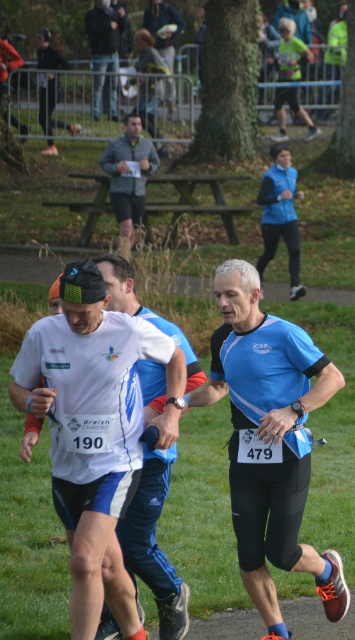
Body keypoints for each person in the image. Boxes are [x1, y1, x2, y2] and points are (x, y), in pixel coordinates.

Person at [9, 258, 186, 640]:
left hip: (117, 464)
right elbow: (17, 388)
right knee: (106, 566)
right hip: (67, 466)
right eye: (66, 310)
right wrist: (31, 404)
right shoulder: (43, 333)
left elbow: (176, 356)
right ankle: (137, 634)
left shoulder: (130, 331)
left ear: (105, 301)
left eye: (82, 313)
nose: (73, 320)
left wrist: (173, 411)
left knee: (83, 562)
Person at [177, 259, 350, 639]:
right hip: (244, 455)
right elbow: (218, 386)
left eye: (230, 295)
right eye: (217, 295)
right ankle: (278, 632)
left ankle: (327, 571)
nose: (222, 303)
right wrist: (183, 402)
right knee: (249, 555)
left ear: (254, 294)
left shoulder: (285, 334)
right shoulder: (222, 338)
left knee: (282, 553)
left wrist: (294, 409)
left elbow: (333, 378)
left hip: (288, 455)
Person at [90, 253, 206, 640]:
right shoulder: (96, 329)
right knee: (103, 544)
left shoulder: (160, 328)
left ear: (128, 285)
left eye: (106, 286)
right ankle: (119, 613)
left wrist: (158, 409)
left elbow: (197, 380)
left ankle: (171, 594)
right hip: (105, 456)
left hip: (149, 456)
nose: (101, 294)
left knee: (134, 543)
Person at [98, 112, 161, 256]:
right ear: (125, 127)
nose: (136, 127)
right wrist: (116, 168)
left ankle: (124, 258)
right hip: (120, 192)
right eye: (133, 124)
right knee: (126, 228)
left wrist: (148, 167)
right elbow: (103, 162)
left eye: (139, 124)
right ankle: (123, 262)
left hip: (139, 192)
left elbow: (156, 163)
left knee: (134, 231)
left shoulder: (147, 145)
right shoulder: (116, 144)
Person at [19, 277, 64, 465]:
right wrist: (32, 429)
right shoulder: (45, 339)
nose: (59, 311)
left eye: (64, 304)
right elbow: (37, 390)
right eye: (54, 305)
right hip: (65, 452)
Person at [256, 143, 308, 302]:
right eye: (282, 156)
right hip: (272, 221)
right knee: (269, 254)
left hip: (290, 218)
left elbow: (290, 191)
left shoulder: (293, 172)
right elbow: (261, 199)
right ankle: (257, 284)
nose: (286, 159)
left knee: (295, 250)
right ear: (276, 159)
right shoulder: (270, 177)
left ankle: (295, 287)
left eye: (288, 155)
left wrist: (297, 194)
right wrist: (278, 198)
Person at [270, 17, 321, 143]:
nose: (282, 33)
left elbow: (310, 55)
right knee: (294, 106)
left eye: (285, 30)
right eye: (281, 30)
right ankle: (312, 128)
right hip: (282, 77)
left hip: (292, 78)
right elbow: (281, 57)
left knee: (278, 102)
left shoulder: (296, 42)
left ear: (290, 31)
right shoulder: (282, 42)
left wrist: (297, 62)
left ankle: (283, 131)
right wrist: (277, 61)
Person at [35, 28, 81, 157]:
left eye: (39, 38)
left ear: (46, 39)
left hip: (54, 90)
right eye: (36, 38)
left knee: (43, 119)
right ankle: (71, 128)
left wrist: (55, 74)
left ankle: (52, 146)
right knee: (44, 119)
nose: (37, 41)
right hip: (45, 88)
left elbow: (67, 67)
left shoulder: (53, 53)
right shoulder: (40, 52)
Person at [131, 28, 172, 158]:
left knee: (142, 115)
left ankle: (158, 139)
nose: (136, 44)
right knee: (139, 115)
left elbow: (165, 71)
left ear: (145, 41)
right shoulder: (141, 55)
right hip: (145, 92)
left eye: (138, 42)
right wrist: (131, 81)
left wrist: (149, 79)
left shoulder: (152, 53)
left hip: (155, 92)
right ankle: (157, 142)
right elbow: (139, 72)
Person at [141, 0, 183, 116]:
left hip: (166, 47)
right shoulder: (148, 11)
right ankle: (155, 100)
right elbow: (145, 27)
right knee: (155, 76)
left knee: (168, 74)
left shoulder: (167, 9)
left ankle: (171, 101)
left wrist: (172, 35)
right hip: (152, 48)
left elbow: (180, 23)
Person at [85, 0, 124, 122]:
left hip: (114, 54)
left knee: (113, 85)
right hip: (100, 55)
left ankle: (113, 111)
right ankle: (96, 112)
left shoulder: (112, 13)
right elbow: (92, 31)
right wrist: (108, 27)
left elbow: (122, 28)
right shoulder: (92, 15)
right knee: (98, 85)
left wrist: (122, 17)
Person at [320, 3, 347, 122]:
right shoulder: (336, 27)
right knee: (328, 87)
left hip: (345, 64)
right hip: (332, 62)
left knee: (342, 89)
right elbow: (332, 45)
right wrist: (342, 51)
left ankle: (331, 109)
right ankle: (320, 114)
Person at [0, 33, 27, 136]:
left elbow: (20, 60)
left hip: (1, 80)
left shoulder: (3, 45)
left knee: (2, 111)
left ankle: (20, 128)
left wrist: (7, 66)